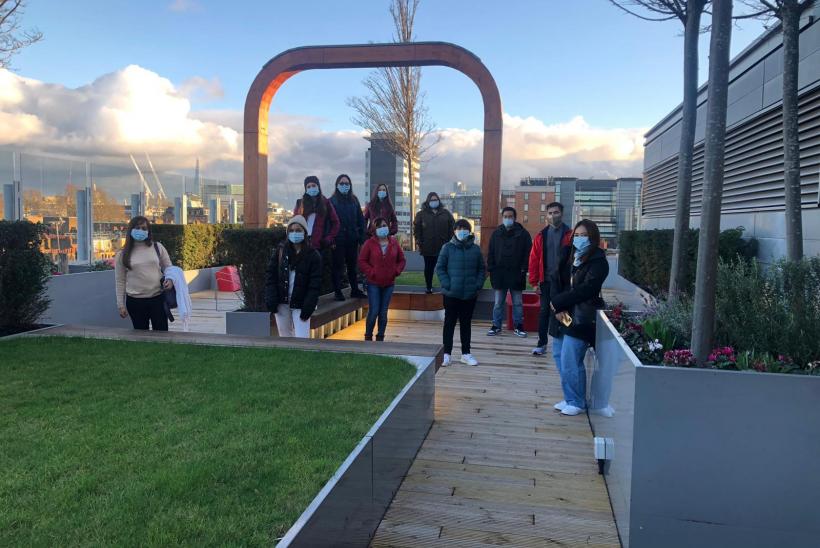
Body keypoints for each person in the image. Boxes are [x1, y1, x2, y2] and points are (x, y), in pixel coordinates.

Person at [550, 219, 609, 416]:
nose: (580, 238)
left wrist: (559, 301)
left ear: (593, 238)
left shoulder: (598, 262)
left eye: (584, 235)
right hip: (563, 315)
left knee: (571, 358)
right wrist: (558, 307)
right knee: (559, 356)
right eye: (577, 235)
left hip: (581, 317)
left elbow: (587, 290)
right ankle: (570, 396)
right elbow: (555, 279)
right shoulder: (569, 255)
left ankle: (577, 401)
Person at [436, 219, 486, 367]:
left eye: (464, 228)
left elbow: (482, 270)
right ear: (454, 231)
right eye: (459, 228)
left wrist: (477, 285)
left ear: (469, 231)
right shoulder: (447, 248)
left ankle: (466, 353)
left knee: (466, 324)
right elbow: (440, 268)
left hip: (469, 294)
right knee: (449, 323)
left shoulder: (475, 249)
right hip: (451, 293)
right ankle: (446, 354)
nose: (461, 231)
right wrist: (447, 284)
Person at [265, 216, 323, 338]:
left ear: (305, 232)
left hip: (301, 304)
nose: (294, 233)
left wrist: (309, 306)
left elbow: (315, 284)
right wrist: (271, 298)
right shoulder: (281, 251)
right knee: (285, 338)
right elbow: (271, 275)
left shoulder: (313, 255)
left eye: (298, 230)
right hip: (282, 303)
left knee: (302, 339)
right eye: (291, 230)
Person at [115, 216, 174, 331]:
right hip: (135, 302)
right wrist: (120, 305)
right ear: (131, 229)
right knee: (141, 338)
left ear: (148, 231)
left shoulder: (158, 247)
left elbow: (169, 268)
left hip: (157, 299)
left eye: (144, 228)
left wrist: (170, 280)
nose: (141, 231)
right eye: (137, 228)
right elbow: (120, 280)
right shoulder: (122, 254)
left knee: (162, 335)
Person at [528, 202, 572, 356]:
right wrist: (534, 282)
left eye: (556, 212)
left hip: (564, 282)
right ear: (546, 216)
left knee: (563, 311)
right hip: (546, 281)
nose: (553, 216)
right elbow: (533, 259)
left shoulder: (570, 234)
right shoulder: (541, 235)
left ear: (562, 214)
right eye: (550, 213)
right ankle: (542, 343)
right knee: (544, 312)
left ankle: (569, 338)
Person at [358, 217, 406, 341]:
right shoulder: (369, 243)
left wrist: (396, 271)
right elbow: (362, 261)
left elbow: (402, 260)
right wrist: (371, 272)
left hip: (389, 283)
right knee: (374, 311)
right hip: (373, 283)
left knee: (383, 313)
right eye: (379, 226)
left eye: (384, 225)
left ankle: (380, 337)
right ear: (374, 229)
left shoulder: (394, 242)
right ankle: (368, 336)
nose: (382, 228)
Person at [487, 207, 533, 337]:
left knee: (518, 303)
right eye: (505, 216)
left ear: (515, 217)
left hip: (517, 273)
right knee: (498, 303)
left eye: (510, 216)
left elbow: (528, 253)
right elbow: (491, 252)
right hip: (499, 273)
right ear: (502, 217)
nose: (508, 218)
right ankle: (496, 325)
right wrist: (491, 268)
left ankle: (519, 326)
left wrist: (524, 269)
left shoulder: (523, 234)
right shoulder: (496, 233)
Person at [329, 174, 366, 300]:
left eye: (347, 183)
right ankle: (337, 292)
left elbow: (361, 219)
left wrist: (361, 237)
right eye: (342, 183)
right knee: (338, 266)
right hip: (338, 239)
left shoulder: (354, 200)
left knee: (352, 266)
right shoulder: (332, 201)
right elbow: (329, 222)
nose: (344, 186)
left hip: (352, 238)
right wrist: (331, 239)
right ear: (337, 185)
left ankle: (354, 290)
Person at [414, 192, 454, 294]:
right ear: (427, 201)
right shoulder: (421, 214)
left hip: (444, 247)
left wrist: (450, 242)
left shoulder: (446, 213)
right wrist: (419, 243)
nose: (434, 202)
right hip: (428, 247)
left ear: (439, 201)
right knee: (429, 268)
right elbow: (417, 230)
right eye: (432, 200)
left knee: (444, 268)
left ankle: (445, 287)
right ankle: (429, 287)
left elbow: (452, 229)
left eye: (436, 199)